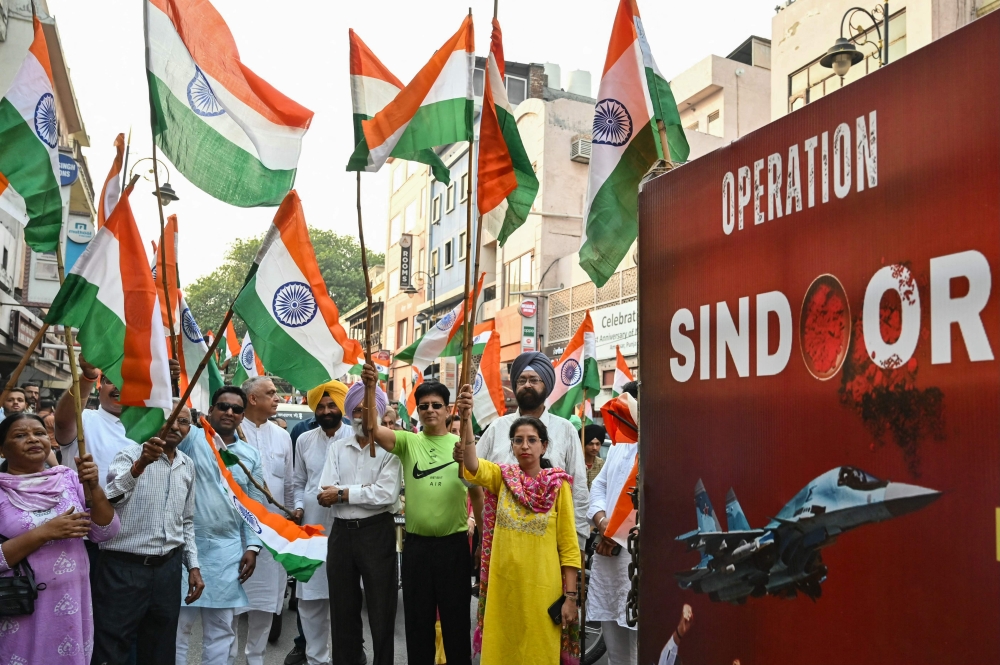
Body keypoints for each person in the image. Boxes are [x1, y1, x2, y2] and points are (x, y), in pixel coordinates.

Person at [453, 388, 581, 665]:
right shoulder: (502, 477)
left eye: (532, 440)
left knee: (537, 654)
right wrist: (465, 419)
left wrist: (570, 597)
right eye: (518, 440)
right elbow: (472, 465)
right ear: (511, 445)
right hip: (504, 590)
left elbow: (569, 546)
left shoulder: (558, 486)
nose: (525, 445)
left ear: (544, 446)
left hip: (542, 591)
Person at [362, 364, 473, 665]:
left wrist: (468, 417)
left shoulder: (462, 447)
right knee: (417, 625)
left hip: (454, 547)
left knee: (457, 627)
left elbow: (478, 484)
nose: (429, 410)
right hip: (417, 549)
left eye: (436, 405)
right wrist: (371, 387)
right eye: (423, 406)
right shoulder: (408, 442)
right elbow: (372, 428)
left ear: (448, 409)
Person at [0, 413, 119, 665]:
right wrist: (44, 533)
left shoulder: (67, 478)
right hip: (19, 605)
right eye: (21, 435)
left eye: (40, 433)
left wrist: (94, 487)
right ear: (2, 449)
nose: (33, 439)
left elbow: (105, 532)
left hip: (71, 602)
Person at [92, 403, 203, 665]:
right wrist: (140, 464)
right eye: (169, 420)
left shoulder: (187, 465)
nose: (176, 427)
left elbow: (186, 522)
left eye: (184, 422)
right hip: (123, 568)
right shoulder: (129, 455)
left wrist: (194, 567)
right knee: (112, 645)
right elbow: (110, 500)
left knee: (161, 647)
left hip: (168, 570)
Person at [175, 387, 266, 665]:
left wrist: (252, 546)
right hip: (183, 547)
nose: (229, 412)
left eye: (236, 409)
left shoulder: (249, 455)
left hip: (228, 552)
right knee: (178, 629)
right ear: (210, 410)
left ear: (242, 416)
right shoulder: (190, 439)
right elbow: (168, 420)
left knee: (220, 631)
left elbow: (255, 504)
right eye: (223, 406)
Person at [318, 382, 401, 665]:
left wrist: (344, 492)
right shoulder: (338, 447)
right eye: (355, 410)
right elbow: (324, 491)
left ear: (377, 414)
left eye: (366, 410)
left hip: (377, 532)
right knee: (342, 610)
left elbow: (386, 494)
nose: (360, 415)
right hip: (341, 534)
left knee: (381, 610)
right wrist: (360, 491)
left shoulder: (391, 450)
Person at [476, 352, 590, 556]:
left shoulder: (565, 430)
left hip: (548, 544)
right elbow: (471, 477)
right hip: (501, 542)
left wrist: (578, 542)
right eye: (522, 380)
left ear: (546, 385)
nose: (527, 385)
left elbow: (579, 488)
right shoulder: (497, 428)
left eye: (534, 380)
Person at [288, 380, 351, 665]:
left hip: (348, 526)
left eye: (331, 405)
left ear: (341, 407)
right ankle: (316, 659)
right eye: (321, 406)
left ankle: (346, 657)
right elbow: (298, 481)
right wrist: (298, 507)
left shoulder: (357, 437)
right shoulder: (304, 439)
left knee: (344, 601)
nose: (326, 411)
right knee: (311, 599)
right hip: (311, 528)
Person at [238, 376, 295, 665]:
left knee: (263, 605)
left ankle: (255, 659)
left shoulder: (282, 435)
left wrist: (293, 511)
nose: (277, 397)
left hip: (272, 533)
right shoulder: (231, 432)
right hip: (236, 533)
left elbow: (289, 484)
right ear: (252, 399)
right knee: (229, 606)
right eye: (271, 393)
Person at [586, 399, 637, 664]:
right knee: (616, 651)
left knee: (641, 646)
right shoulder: (619, 445)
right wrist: (602, 520)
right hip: (610, 561)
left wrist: (615, 531)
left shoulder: (662, 444)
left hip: (638, 561)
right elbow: (599, 486)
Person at [584, 424, 607, 490]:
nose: (594, 448)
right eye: (591, 444)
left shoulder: (602, 464)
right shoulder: (576, 464)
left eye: (597, 444)